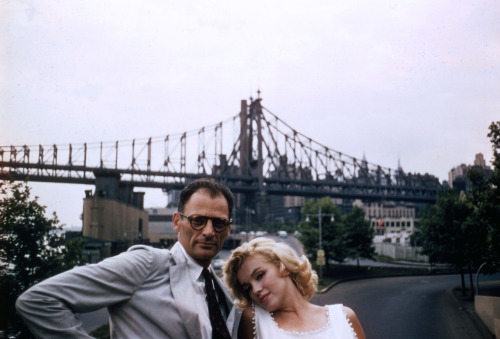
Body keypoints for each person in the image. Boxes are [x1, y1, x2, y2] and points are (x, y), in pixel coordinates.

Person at [16, 178, 241, 338]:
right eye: (197, 220)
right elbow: (39, 301)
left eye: (219, 222)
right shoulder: (146, 264)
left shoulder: (217, 286)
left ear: (228, 229)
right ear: (176, 222)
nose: (209, 231)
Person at [223, 237, 365, 339]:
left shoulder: (344, 317)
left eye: (260, 275)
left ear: (284, 267)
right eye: (247, 288)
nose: (255, 290)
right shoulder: (254, 320)